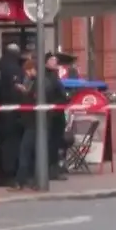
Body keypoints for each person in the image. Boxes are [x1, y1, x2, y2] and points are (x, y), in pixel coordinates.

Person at [0, 44, 26, 187]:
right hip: (11, 112)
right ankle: (9, 173)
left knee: (2, 142)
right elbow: (16, 91)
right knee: (11, 144)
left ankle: (0, 173)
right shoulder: (13, 68)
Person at [13, 58, 40, 190]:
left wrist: (25, 92)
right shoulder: (34, 82)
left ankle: (20, 182)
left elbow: (32, 100)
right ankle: (32, 181)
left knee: (25, 151)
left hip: (32, 123)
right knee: (31, 152)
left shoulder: (37, 83)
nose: (27, 73)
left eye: (29, 70)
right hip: (31, 122)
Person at [43, 52, 69, 181]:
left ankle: (54, 169)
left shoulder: (54, 75)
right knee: (52, 143)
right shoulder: (48, 76)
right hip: (53, 115)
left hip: (57, 114)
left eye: (56, 60)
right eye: (52, 60)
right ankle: (51, 171)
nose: (55, 62)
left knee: (56, 142)